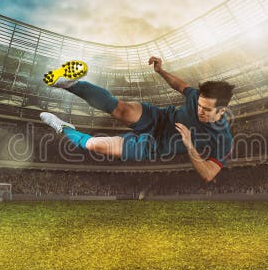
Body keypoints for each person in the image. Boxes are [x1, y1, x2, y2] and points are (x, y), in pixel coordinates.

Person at [39, 57, 234, 182]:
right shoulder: (196, 97)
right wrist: (160, 71)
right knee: (121, 109)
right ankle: (69, 84)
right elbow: (180, 85)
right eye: (199, 105)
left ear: (222, 111)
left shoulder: (224, 139)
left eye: (206, 109)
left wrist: (190, 146)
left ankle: (64, 128)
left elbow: (209, 174)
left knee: (94, 145)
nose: (200, 110)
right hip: (159, 118)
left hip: (152, 146)